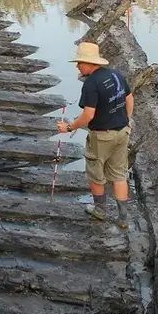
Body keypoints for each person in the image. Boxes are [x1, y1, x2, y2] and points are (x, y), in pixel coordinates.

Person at [57, 42, 134, 229]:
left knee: (95, 174)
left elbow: (88, 115)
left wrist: (69, 128)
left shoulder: (91, 84)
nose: (77, 66)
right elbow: (129, 98)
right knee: (119, 174)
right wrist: (126, 120)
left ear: (90, 64)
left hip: (101, 136)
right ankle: (123, 218)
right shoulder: (116, 74)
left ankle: (100, 211)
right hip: (122, 132)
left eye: (80, 63)